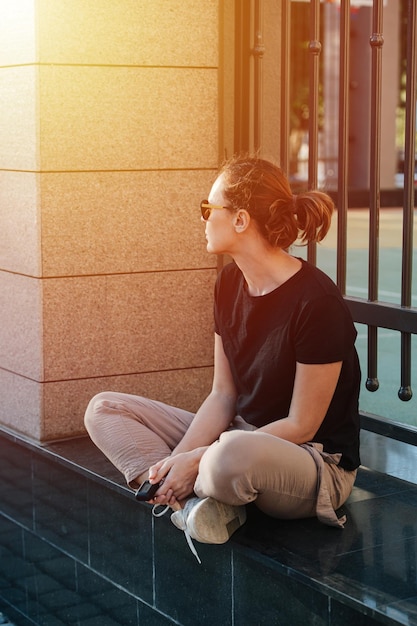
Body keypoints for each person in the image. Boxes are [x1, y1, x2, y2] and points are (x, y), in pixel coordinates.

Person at [84, 155, 361, 562]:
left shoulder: (317, 302)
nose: (202, 218)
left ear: (241, 220)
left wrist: (198, 457)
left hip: (311, 460)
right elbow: (222, 396)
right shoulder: (229, 283)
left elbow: (304, 425)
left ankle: (205, 490)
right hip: (238, 436)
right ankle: (189, 502)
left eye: (208, 208)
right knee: (103, 408)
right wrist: (178, 462)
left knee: (228, 456)